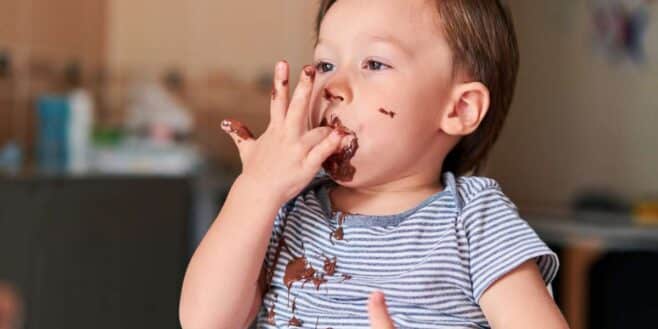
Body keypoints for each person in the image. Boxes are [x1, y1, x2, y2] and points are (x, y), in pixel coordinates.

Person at [180, 0, 570, 328]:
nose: (332, 86)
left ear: (459, 108)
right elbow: (205, 321)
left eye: (374, 64)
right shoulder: (290, 205)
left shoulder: (473, 219)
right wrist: (255, 190)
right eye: (327, 65)